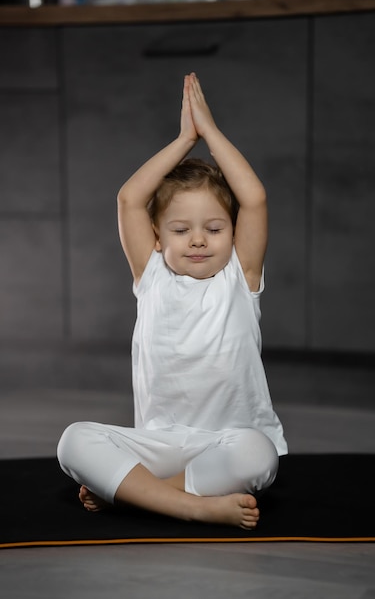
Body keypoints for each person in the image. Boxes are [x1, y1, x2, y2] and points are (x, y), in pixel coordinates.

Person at [57, 73, 287, 530]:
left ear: (233, 233)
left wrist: (211, 132)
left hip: (225, 444)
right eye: (181, 230)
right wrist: (184, 139)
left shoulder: (240, 277)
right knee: (73, 442)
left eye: (215, 229)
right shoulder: (152, 274)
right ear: (158, 236)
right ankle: (193, 504)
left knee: (259, 455)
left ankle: (138, 495)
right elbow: (129, 198)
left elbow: (254, 197)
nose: (199, 240)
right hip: (158, 446)